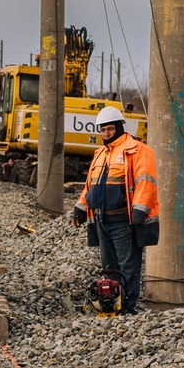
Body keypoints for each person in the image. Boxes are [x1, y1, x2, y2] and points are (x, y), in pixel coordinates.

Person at [70, 105, 158, 314]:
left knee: (128, 266)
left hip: (123, 220)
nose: (106, 133)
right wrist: (80, 208)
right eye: (103, 130)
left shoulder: (137, 150)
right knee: (108, 266)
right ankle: (110, 303)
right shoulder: (101, 154)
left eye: (110, 129)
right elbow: (90, 185)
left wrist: (139, 211)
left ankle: (127, 306)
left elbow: (146, 182)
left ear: (119, 127)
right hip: (101, 219)